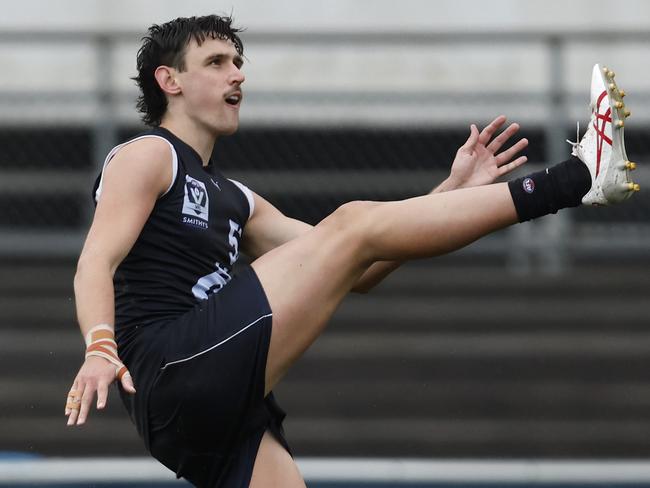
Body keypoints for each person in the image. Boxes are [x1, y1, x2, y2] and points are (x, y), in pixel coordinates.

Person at [64, 14, 637, 488]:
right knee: (348, 223)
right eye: (216, 63)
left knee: (348, 233)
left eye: (238, 63)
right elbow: (95, 261)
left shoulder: (237, 198)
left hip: (215, 405)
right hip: (174, 368)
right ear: (170, 80)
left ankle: (574, 180)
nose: (236, 75)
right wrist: (98, 347)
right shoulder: (146, 155)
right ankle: (575, 179)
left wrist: (450, 195)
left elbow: (359, 266)